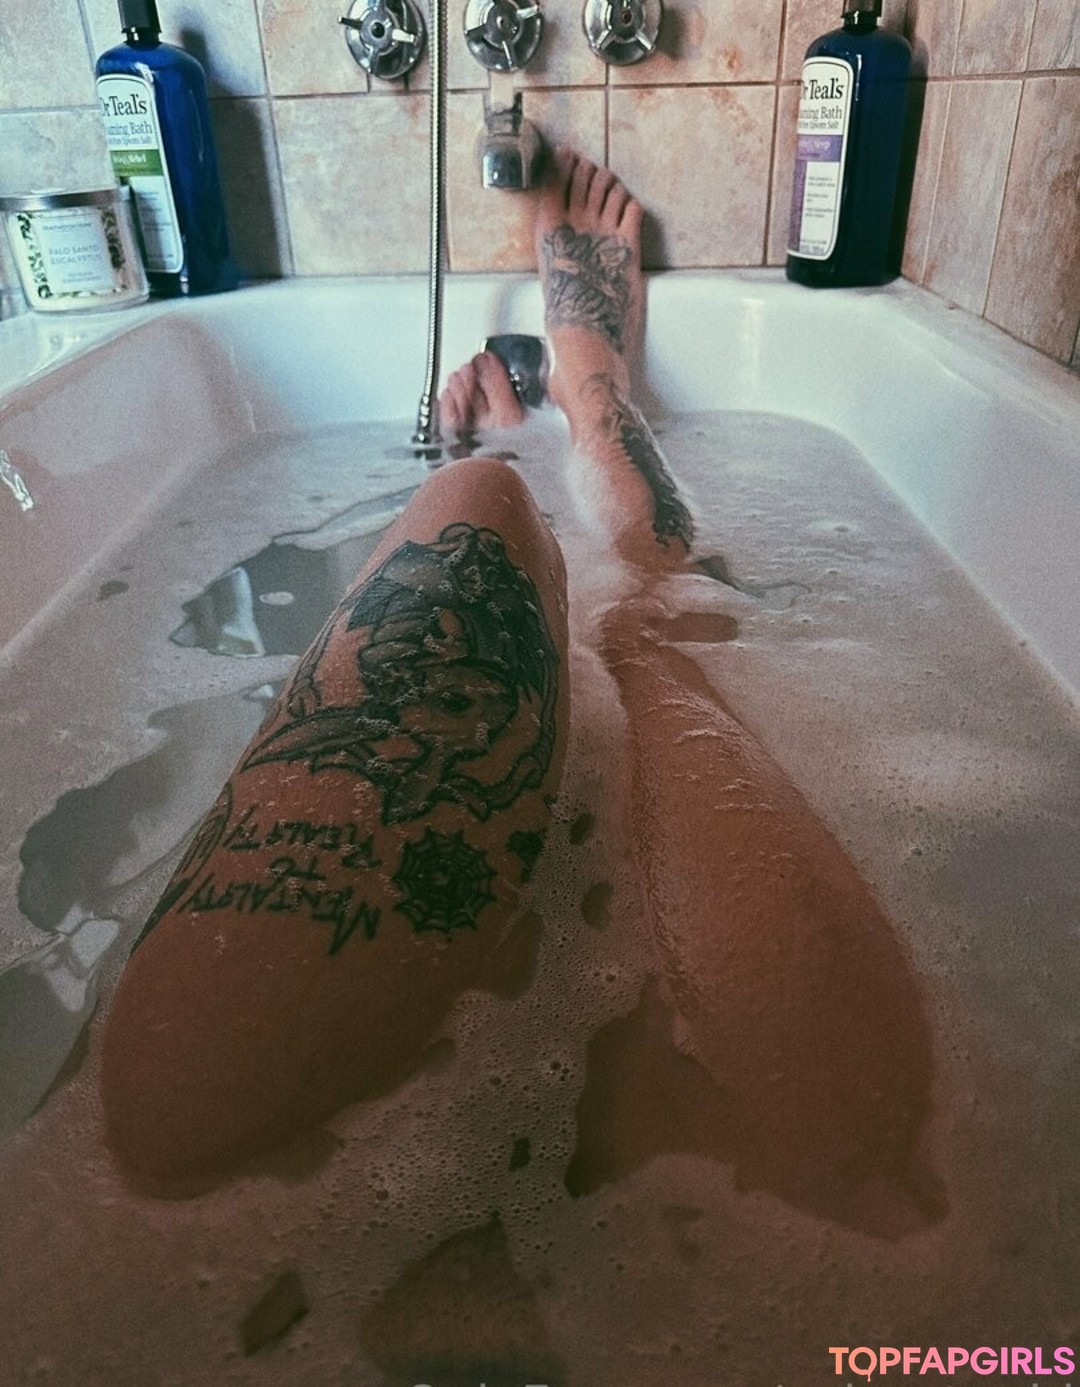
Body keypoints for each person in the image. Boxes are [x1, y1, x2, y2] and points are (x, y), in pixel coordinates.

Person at [102, 153, 939, 1231]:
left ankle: (522, 469)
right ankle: (592, 411)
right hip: (736, 1196)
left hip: (298, 1208)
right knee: (639, 592)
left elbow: (174, 1113)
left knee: (473, 491)